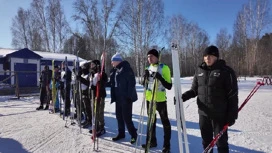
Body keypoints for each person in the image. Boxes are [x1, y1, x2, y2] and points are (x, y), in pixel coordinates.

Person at [181, 45, 238, 153]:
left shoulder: (226, 71)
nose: (208, 58)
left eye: (211, 55)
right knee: (206, 142)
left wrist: (232, 114)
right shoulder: (199, 70)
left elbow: (232, 95)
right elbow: (194, 90)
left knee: (221, 143)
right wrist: (183, 97)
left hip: (219, 115)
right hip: (203, 114)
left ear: (216, 57)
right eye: (206, 56)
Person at [141, 49, 172, 153]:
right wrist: (144, 79)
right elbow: (144, 84)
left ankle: (166, 146)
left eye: (152, 56)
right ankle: (151, 141)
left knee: (165, 123)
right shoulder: (148, 68)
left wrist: (160, 78)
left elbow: (169, 86)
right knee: (151, 122)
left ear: (157, 57)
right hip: (150, 99)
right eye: (148, 56)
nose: (149, 58)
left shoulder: (164, 68)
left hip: (160, 100)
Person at [109, 52, 138, 144]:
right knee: (119, 116)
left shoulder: (126, 68)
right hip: (118, 97)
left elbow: (132, 83)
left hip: (126, 97)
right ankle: (121, 133)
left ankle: (133, 134)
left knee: (126, 118)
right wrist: (101, 82)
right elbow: (112, 83)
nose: (111, 63)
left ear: (117, 61)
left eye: (112, 61)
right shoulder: (115, 70)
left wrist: (129, 96)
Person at [89, 60, 108, 136]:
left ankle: (101, 127)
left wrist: (100, 82)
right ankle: (96, 126)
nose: (91, 66)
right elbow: (90, 83)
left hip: (100, 95)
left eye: (92, 64)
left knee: (100, 111)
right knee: (94, 111)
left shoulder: (102, 73)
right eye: (91, 65)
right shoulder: (92, 73)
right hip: (93, 95)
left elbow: (105, 82)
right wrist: (92, 86)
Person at [77, 62, 92, 128]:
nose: (83, 69)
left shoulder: (89, 75)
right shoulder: (83, 74)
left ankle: (90, 120)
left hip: (87, 93)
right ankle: (86, 118)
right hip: (82, 92)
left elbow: (89, 83)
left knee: (87, 107)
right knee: (83, 107)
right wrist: (79, 77)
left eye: (83, 67)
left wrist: (81, 79)